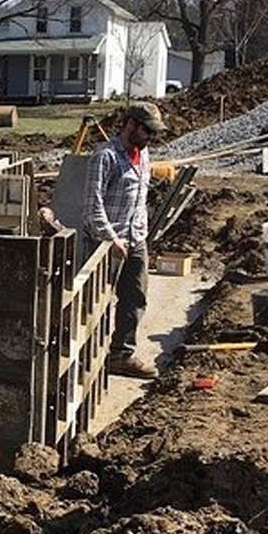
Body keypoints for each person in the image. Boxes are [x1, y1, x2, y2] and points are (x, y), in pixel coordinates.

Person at [83, 102, 166, 380]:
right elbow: (92, 205)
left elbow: (140, 199)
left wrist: (139, 233)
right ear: (131, 125)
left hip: (135, 239)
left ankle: (121, 354)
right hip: (105, 243)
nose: (150, 138)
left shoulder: (143, 156)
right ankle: (86, 356)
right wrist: (111, 237)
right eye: (147, 132)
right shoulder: (104, 156)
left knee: (134, 297)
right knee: (95, 303)